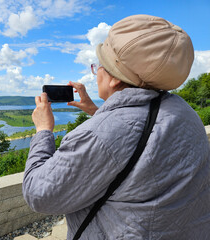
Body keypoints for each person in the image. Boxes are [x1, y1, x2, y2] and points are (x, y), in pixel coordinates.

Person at [22, 14, 210, 239]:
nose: (97, 72)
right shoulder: (183, 110)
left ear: (114, 79)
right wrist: (95, 109)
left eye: (100, 66)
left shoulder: (97, 135)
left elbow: (39, 194)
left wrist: (44, 130)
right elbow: (138, 132)